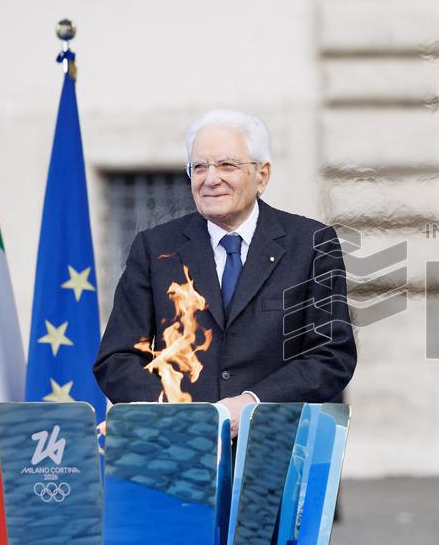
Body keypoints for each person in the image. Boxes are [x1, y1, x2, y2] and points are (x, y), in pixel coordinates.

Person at [94, 109, 356, 436]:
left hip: (275, 452)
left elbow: (331, 356)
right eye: (199, 167)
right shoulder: (155, 248)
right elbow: (118, 358)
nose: (210, 178)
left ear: (263, 175)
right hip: (178, 452)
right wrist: (170, 410)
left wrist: (252, 403)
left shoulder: (311, 244)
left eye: (227, 165)